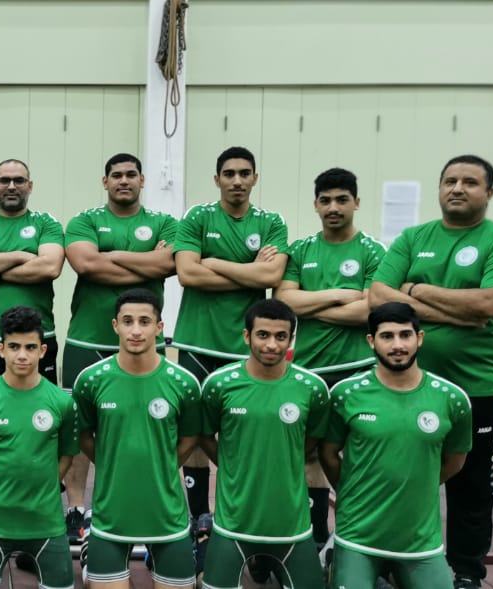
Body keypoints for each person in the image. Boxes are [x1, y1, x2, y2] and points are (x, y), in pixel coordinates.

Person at [368, 155, 493, 589]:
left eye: (470, 182)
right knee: (397, 475)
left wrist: (414, 290)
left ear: (489, 193)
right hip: (406, 386)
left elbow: (490, 303)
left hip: (475, 386)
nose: (457, 188)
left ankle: (466, 572)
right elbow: (378, 298)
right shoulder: (412, 237)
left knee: (471, 486)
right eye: (450, 180)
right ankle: (389, 561)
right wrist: (460, 311)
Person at [62, 153, 179, 541]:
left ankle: (140, 501)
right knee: (79, 427)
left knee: (146, 423)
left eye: (131, 174)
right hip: (86, 340)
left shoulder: (164, 222)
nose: (124, 180)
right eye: (116, 175)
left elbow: (169, 264)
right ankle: (76, 508)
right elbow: (86, 265)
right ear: (105, 181)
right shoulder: (84, 221)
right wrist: (145, 261)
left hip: (143, 344)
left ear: (143, 180)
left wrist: (110, 255)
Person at [171, 146, 288, 523]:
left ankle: (240, 508)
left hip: (246, 346)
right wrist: (248, 272)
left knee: (242, 427)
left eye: (244, 173)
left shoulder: (271, 222)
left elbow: (271, 276)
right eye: (229, 173)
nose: (237, 180)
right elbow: (187, 274)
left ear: (255, 178)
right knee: (195, 430)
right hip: (196, 341)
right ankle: (198, 517)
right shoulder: (198, 217)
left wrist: (214, 262)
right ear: (217, 179)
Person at [319, 302, 472, 588]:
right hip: (357, 536)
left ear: (420, 338)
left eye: (405, 335)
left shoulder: (452, 399)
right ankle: (340, 566)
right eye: (387, 336)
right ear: (371, 341)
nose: (398, 345)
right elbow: (327, 453)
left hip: (420, 541)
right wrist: (351, 491)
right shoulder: (345, 394)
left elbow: (455, 460)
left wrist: (415, 486)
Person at [273, 167, 385, 547]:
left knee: (357, 455)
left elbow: (371, 310)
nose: (333, 207)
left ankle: (357, 539)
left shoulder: (373, 251)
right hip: (310, 371)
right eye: (326, 200)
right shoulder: (301, 250)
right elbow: (284, 301)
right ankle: (317, 538)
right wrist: (339, 295)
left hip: (358, 370)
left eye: (341, 200)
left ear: (357, 202)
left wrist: (310, 306)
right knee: (309, 455)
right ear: (316, 205)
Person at [0, 158, 65, 531]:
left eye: (19, 180)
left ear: (30, 185)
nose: (12, 186)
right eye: (4, 180)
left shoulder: (46, 223)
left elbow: (50, 267)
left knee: (41, 420)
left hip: (37, 341)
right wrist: (21, 256)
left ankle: (44, 496)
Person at [74, 289, 200, 589]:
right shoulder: (90, 380)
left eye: (145, 322)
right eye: (128, 321)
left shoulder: (184, 383)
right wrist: (111, 462)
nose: (135, 330)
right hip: (110, 519)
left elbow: (190, 437)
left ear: (159, 327)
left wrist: (163, 464)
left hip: (168, 518)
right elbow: (84, 436)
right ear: (115, 325)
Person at [198, 299, 326, 589]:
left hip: (293, 527)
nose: (271, 344)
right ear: (247, 336)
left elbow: (313, 440)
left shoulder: (312, 388)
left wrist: (287, 457)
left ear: (291, 339)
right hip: (232, 524)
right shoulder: (219, 384)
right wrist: (230, 463)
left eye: (281, 336)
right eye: (263, 335)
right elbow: (204, 436)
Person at [0, 306, 78, 589]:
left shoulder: (62, 403)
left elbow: (66, 456)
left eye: (30, 347)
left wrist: (45, 483)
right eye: (14, 347)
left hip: (47, 523)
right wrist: (2, 483)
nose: (22, 355)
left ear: (43, 351)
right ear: (1, 350)